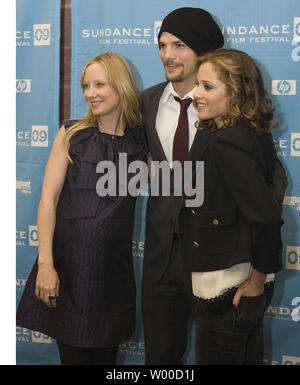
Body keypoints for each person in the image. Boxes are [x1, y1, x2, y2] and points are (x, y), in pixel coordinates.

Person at [141, 7, 287, 365]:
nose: (167, 55)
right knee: (160, 360)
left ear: (205, 53)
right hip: (161, 258)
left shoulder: (228, 114)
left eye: (179, 45)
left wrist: (255, 266)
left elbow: (271, 179)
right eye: (162, 45)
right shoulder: (146, 102)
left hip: (219, 261)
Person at [16, 52, 148, 365]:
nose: (90, 93)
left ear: (121, 87)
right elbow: (48, 199)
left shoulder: (142, 143)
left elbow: (175, 183)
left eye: (99, 84)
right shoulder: (72, 134)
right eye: (86, 85)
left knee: (106, 358)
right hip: (69, 271)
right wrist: (46, 265)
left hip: (113, 275)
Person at [179, 48, 285, 365]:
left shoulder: (227, 142)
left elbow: (266, 217)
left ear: (236, 92)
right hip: (241, 286)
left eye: (207, 87)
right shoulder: (250, 134)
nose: (196, 93)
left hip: (229, 290)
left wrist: (255, 280)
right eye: (198, 84)